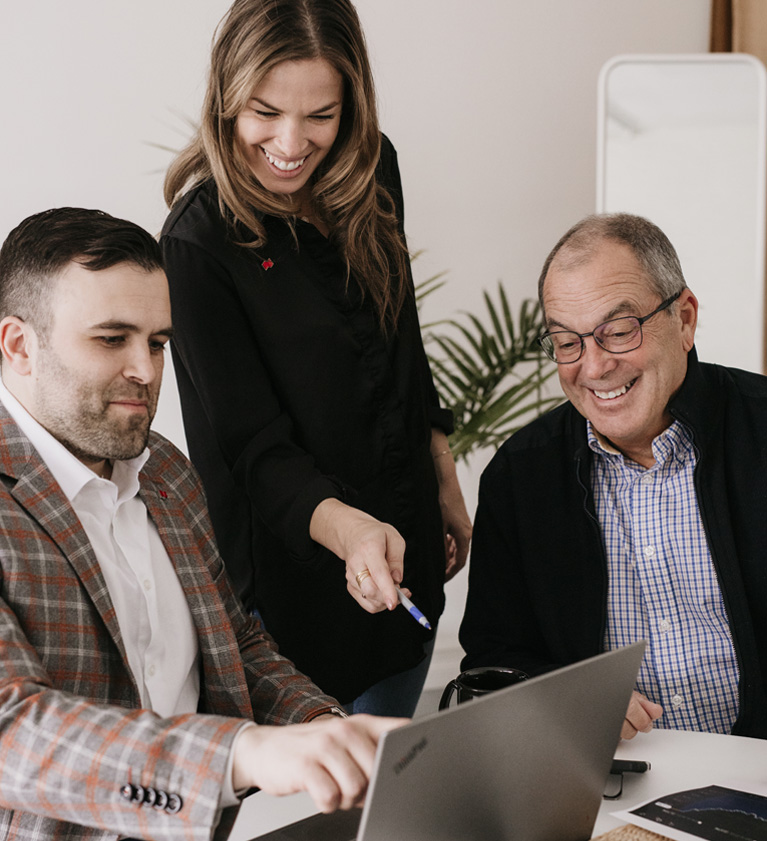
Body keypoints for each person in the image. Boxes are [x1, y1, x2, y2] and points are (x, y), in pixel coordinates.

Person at [0, 206, 405, 841]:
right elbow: (13, 731)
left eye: (158, 342)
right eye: (112, 339)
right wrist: (241, 753)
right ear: (19, 346)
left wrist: (326, 728)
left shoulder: (165, 470)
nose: (146, 369)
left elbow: (235, 646)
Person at [160, 0, 472, 715]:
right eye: (264, 112)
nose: (291, 143)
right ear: (225, 99)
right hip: (293, 594)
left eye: (320, 116)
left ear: (351, 105)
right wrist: (352, 531)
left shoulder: (372, 170)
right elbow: (252, 447)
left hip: (403, 553)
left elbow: (402, 340)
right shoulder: (195, 244)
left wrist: (442, 476)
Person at [460, 212, 767, 741]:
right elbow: (492, 665)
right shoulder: (520, 477)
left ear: (685, 319)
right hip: (609, 786)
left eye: (618, 331)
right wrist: (568, 699)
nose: (594, 367)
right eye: (567, 342)